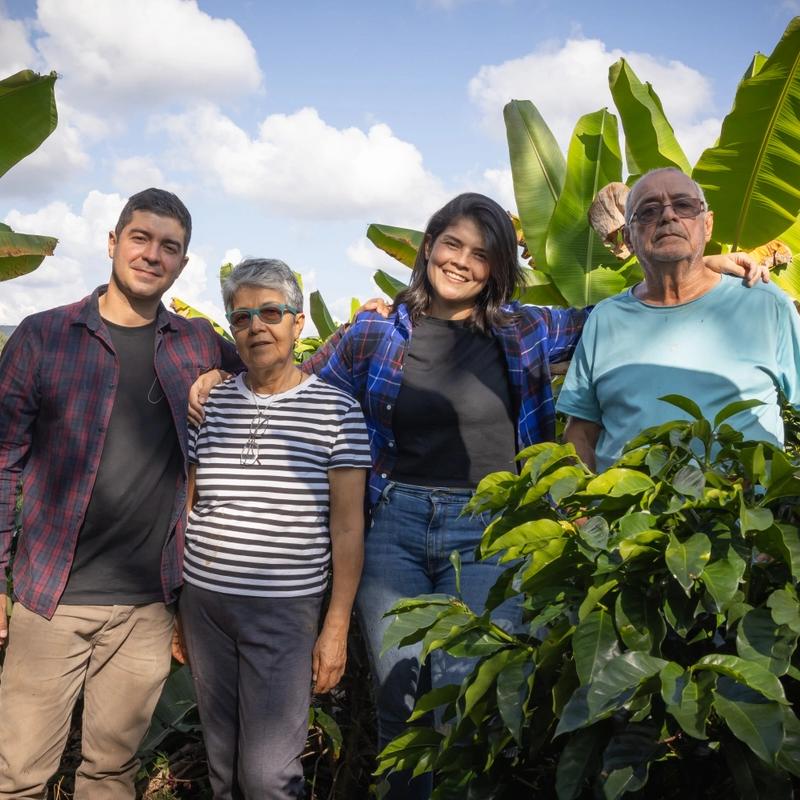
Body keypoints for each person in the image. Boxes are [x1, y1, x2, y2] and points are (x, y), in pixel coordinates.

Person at [189, 192, 763, 800]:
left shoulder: (527, 328)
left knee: (471, 708)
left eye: (481, 253)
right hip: (395, 531)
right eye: (452, 244)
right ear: (430, 246)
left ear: (497, 267)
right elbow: (289, 378)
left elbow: (620, 312)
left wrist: (705, 268)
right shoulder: (376, 330)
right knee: (400, 707)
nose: (462, 261)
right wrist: (218, 370)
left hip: (491, 532)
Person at [0, 188, 239, 799]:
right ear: (112, 242)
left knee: (111, 774)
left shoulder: (197, 343)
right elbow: (3, 463)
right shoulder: (43, 337)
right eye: (141, 238)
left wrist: (377, 316)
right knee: (19, 775)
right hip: (50, 595)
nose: (152, 255)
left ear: (183, 264)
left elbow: (277, 372)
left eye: (170, 247)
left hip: (148, 607)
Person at [179, 259, 371, 800]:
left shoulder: (336, 411)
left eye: (270, 312)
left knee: (267, 776)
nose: (256, 326)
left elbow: (349, 528)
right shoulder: (209, 402)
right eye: (241, 317)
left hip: (284, 611)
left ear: (298, 322)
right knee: (223, 767)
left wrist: (335, 629)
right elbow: (192, 499)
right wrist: (179, 610)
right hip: (205, 605)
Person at [557, 167, 800, 471]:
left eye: (684, 206)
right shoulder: (605, 319)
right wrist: (581, 513)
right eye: (648, 211)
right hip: (625, 515)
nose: (668, 216)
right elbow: (580, 430)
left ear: (707, 225)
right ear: (629, 239)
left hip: (746, 513)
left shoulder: (765, 304)